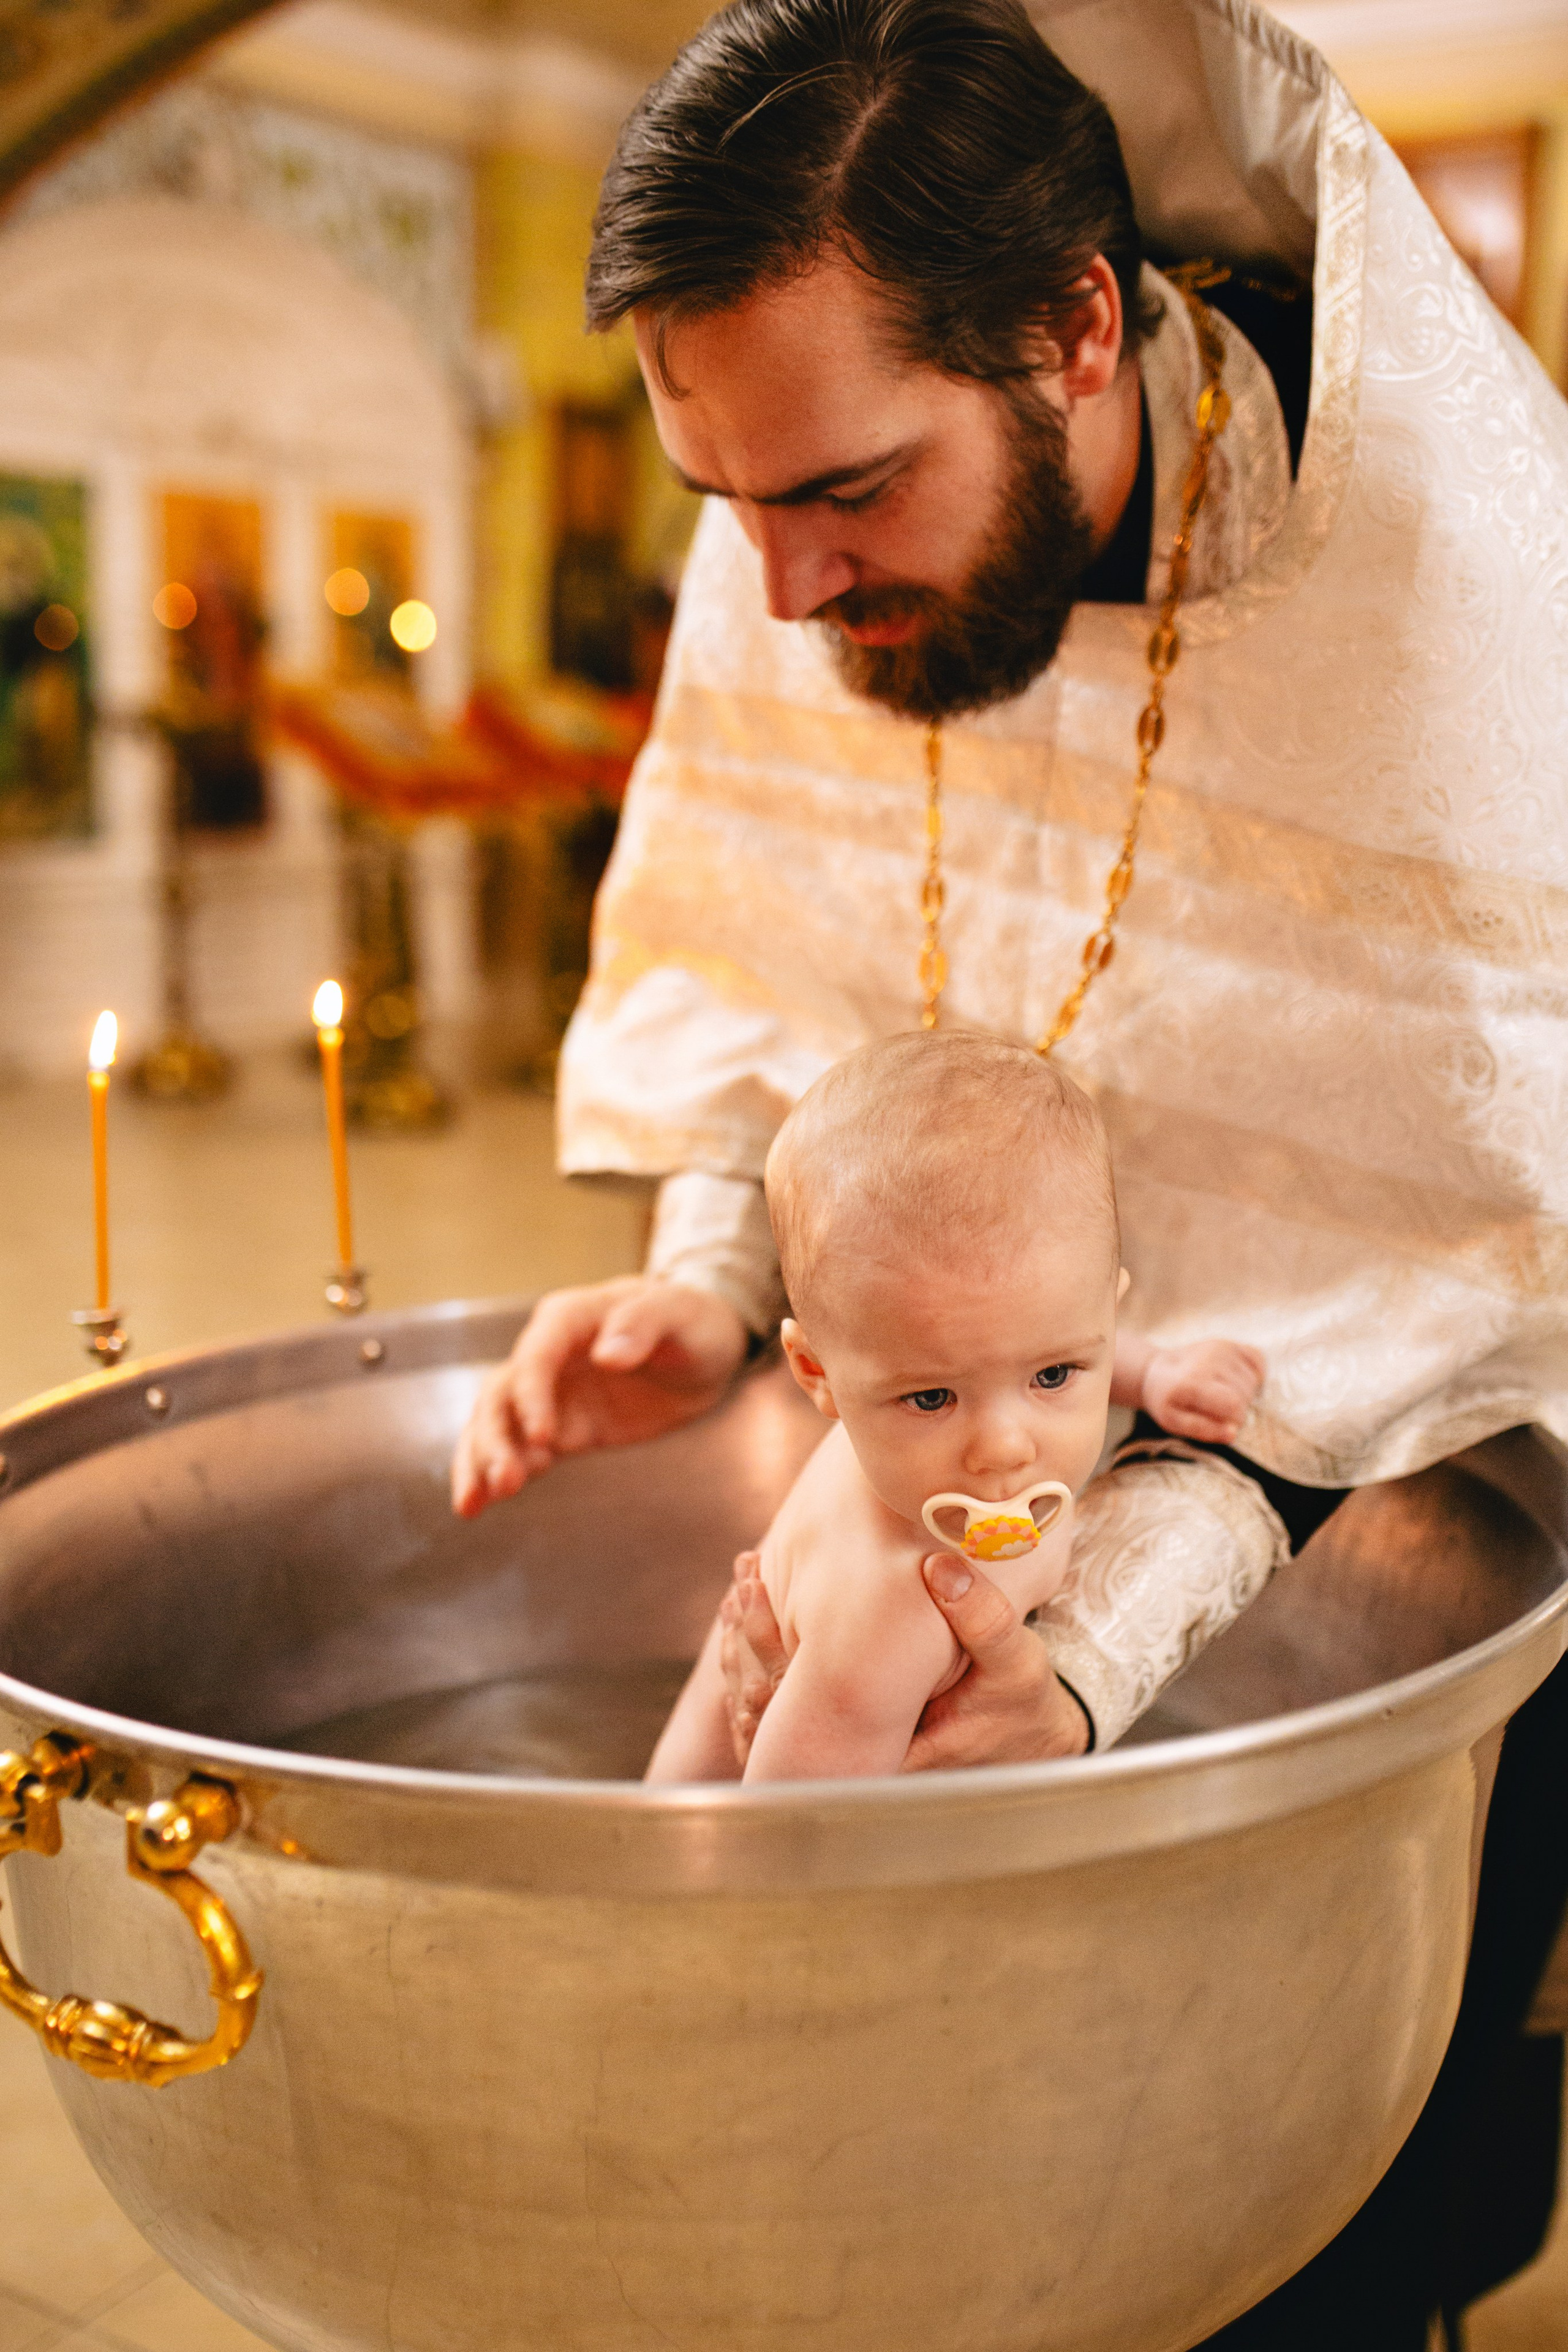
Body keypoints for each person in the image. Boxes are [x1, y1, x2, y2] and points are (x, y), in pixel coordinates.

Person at [451, 0, 1568, 2337]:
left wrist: (1078, 1658)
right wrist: (714, 1266)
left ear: (1072, 330)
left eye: (844, 499)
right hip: (960, 1515)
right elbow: (781, 940)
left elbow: (1427, 1247)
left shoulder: (1448, 591)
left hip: (1378, 1570)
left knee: (1310, 2253)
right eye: (727, 508)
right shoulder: (804, 492)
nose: (779, 596)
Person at [646, 1030, 1268, 1780]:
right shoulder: (891, 1626)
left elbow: (1039, 1337)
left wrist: (1158, 1373)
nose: (1005, 1447)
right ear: (816, 1374)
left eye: (1052, 1376)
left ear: (1108, 1314)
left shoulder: (935, 1350)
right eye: (932, 1398)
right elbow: (789, 1833)